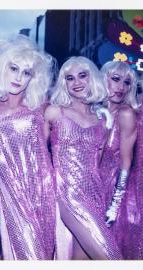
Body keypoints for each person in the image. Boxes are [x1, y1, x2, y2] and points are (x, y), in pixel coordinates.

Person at [0, 34, 57, 260]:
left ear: (33, 77)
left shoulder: (41, 109)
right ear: (1, 67)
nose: (19, 77)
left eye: (26, 72)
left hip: (45, 192)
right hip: (10, 195)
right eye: (14, 68)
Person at [44, 56, 123, 260]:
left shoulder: (101, 120)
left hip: (96, 196)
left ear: (93, 78)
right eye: (70, 78)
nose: (77, 82)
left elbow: (100, 163)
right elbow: (37, 153)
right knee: (111, 257)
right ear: (64, 83)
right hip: (69, 196)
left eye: (82, 76)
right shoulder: (54, 112)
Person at [100, 61, 139, 258]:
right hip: (89, 189)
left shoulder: (126, 114)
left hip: (115, 191)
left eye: (126, 83)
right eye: (115, 79)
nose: (121, 87)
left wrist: (114, 205)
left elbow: (126, 162)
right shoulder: (91, 112)